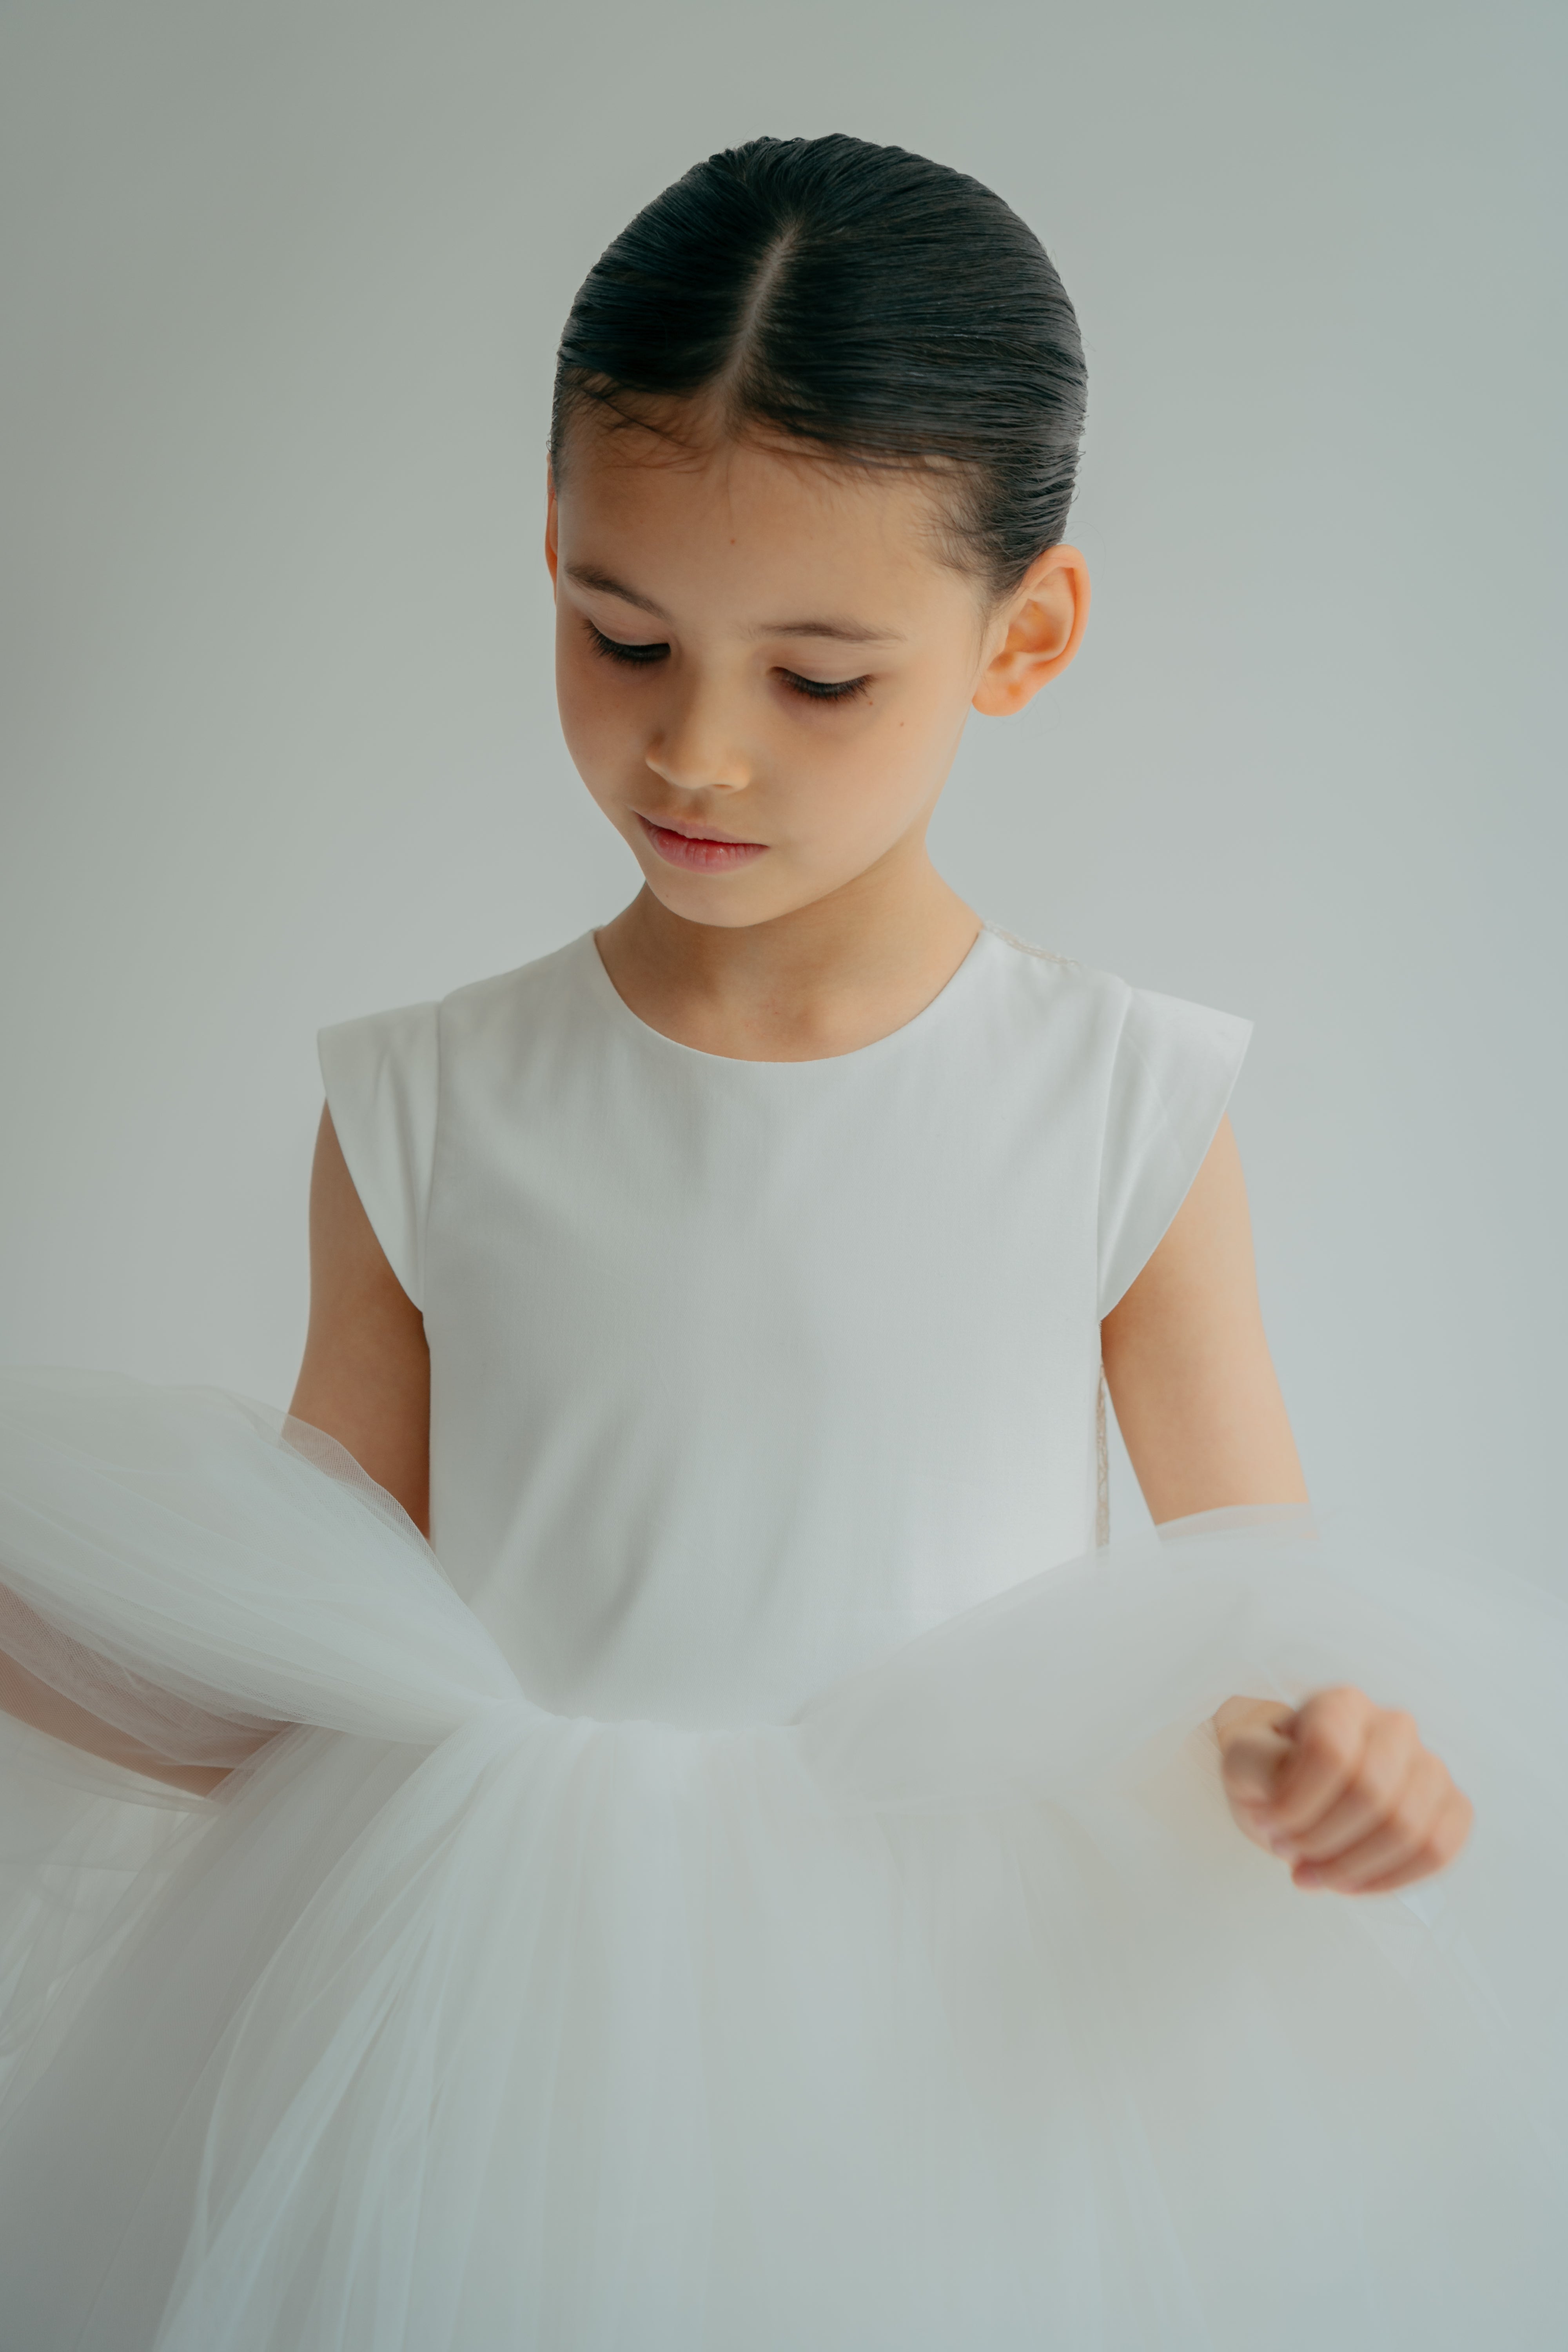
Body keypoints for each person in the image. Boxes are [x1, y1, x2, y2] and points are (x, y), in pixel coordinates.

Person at [0, 133, 1561, 2350]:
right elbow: (310, 1655)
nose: (696, 748)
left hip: (963, 2047)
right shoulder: (420, 1108)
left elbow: (1241, 1615)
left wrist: (1314, 1751)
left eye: (819, 678)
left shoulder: (1122, 1101)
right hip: (493, 2040)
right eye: (622, 633)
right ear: (550, 550)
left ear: (1024, 636)